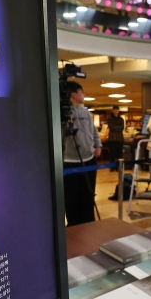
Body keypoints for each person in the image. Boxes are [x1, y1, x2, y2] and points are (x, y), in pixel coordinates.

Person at [62, 81, 102, 226]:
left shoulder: (86, 113)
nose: (84, 95)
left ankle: (88, 223)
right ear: (73, 94)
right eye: (82, 91)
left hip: (89, 160)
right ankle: (73, 225)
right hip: (69, 161)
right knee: (71, 197)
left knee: (88, 195)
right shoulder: (63, 114)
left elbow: (94, 132)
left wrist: (98, 145)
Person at [107, 105, 125, 171]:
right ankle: (112, 167)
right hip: (112, 139)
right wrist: (117, 128)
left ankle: (118, 167)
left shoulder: (121, 119)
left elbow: (122, 127)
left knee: (119, 154)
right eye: (115, 109)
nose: (116, 111)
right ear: (112, 110)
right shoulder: (110, 119)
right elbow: (111, 127)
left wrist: (116, 128)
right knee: (112, 153)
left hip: (120, 138)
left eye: (117, 109)